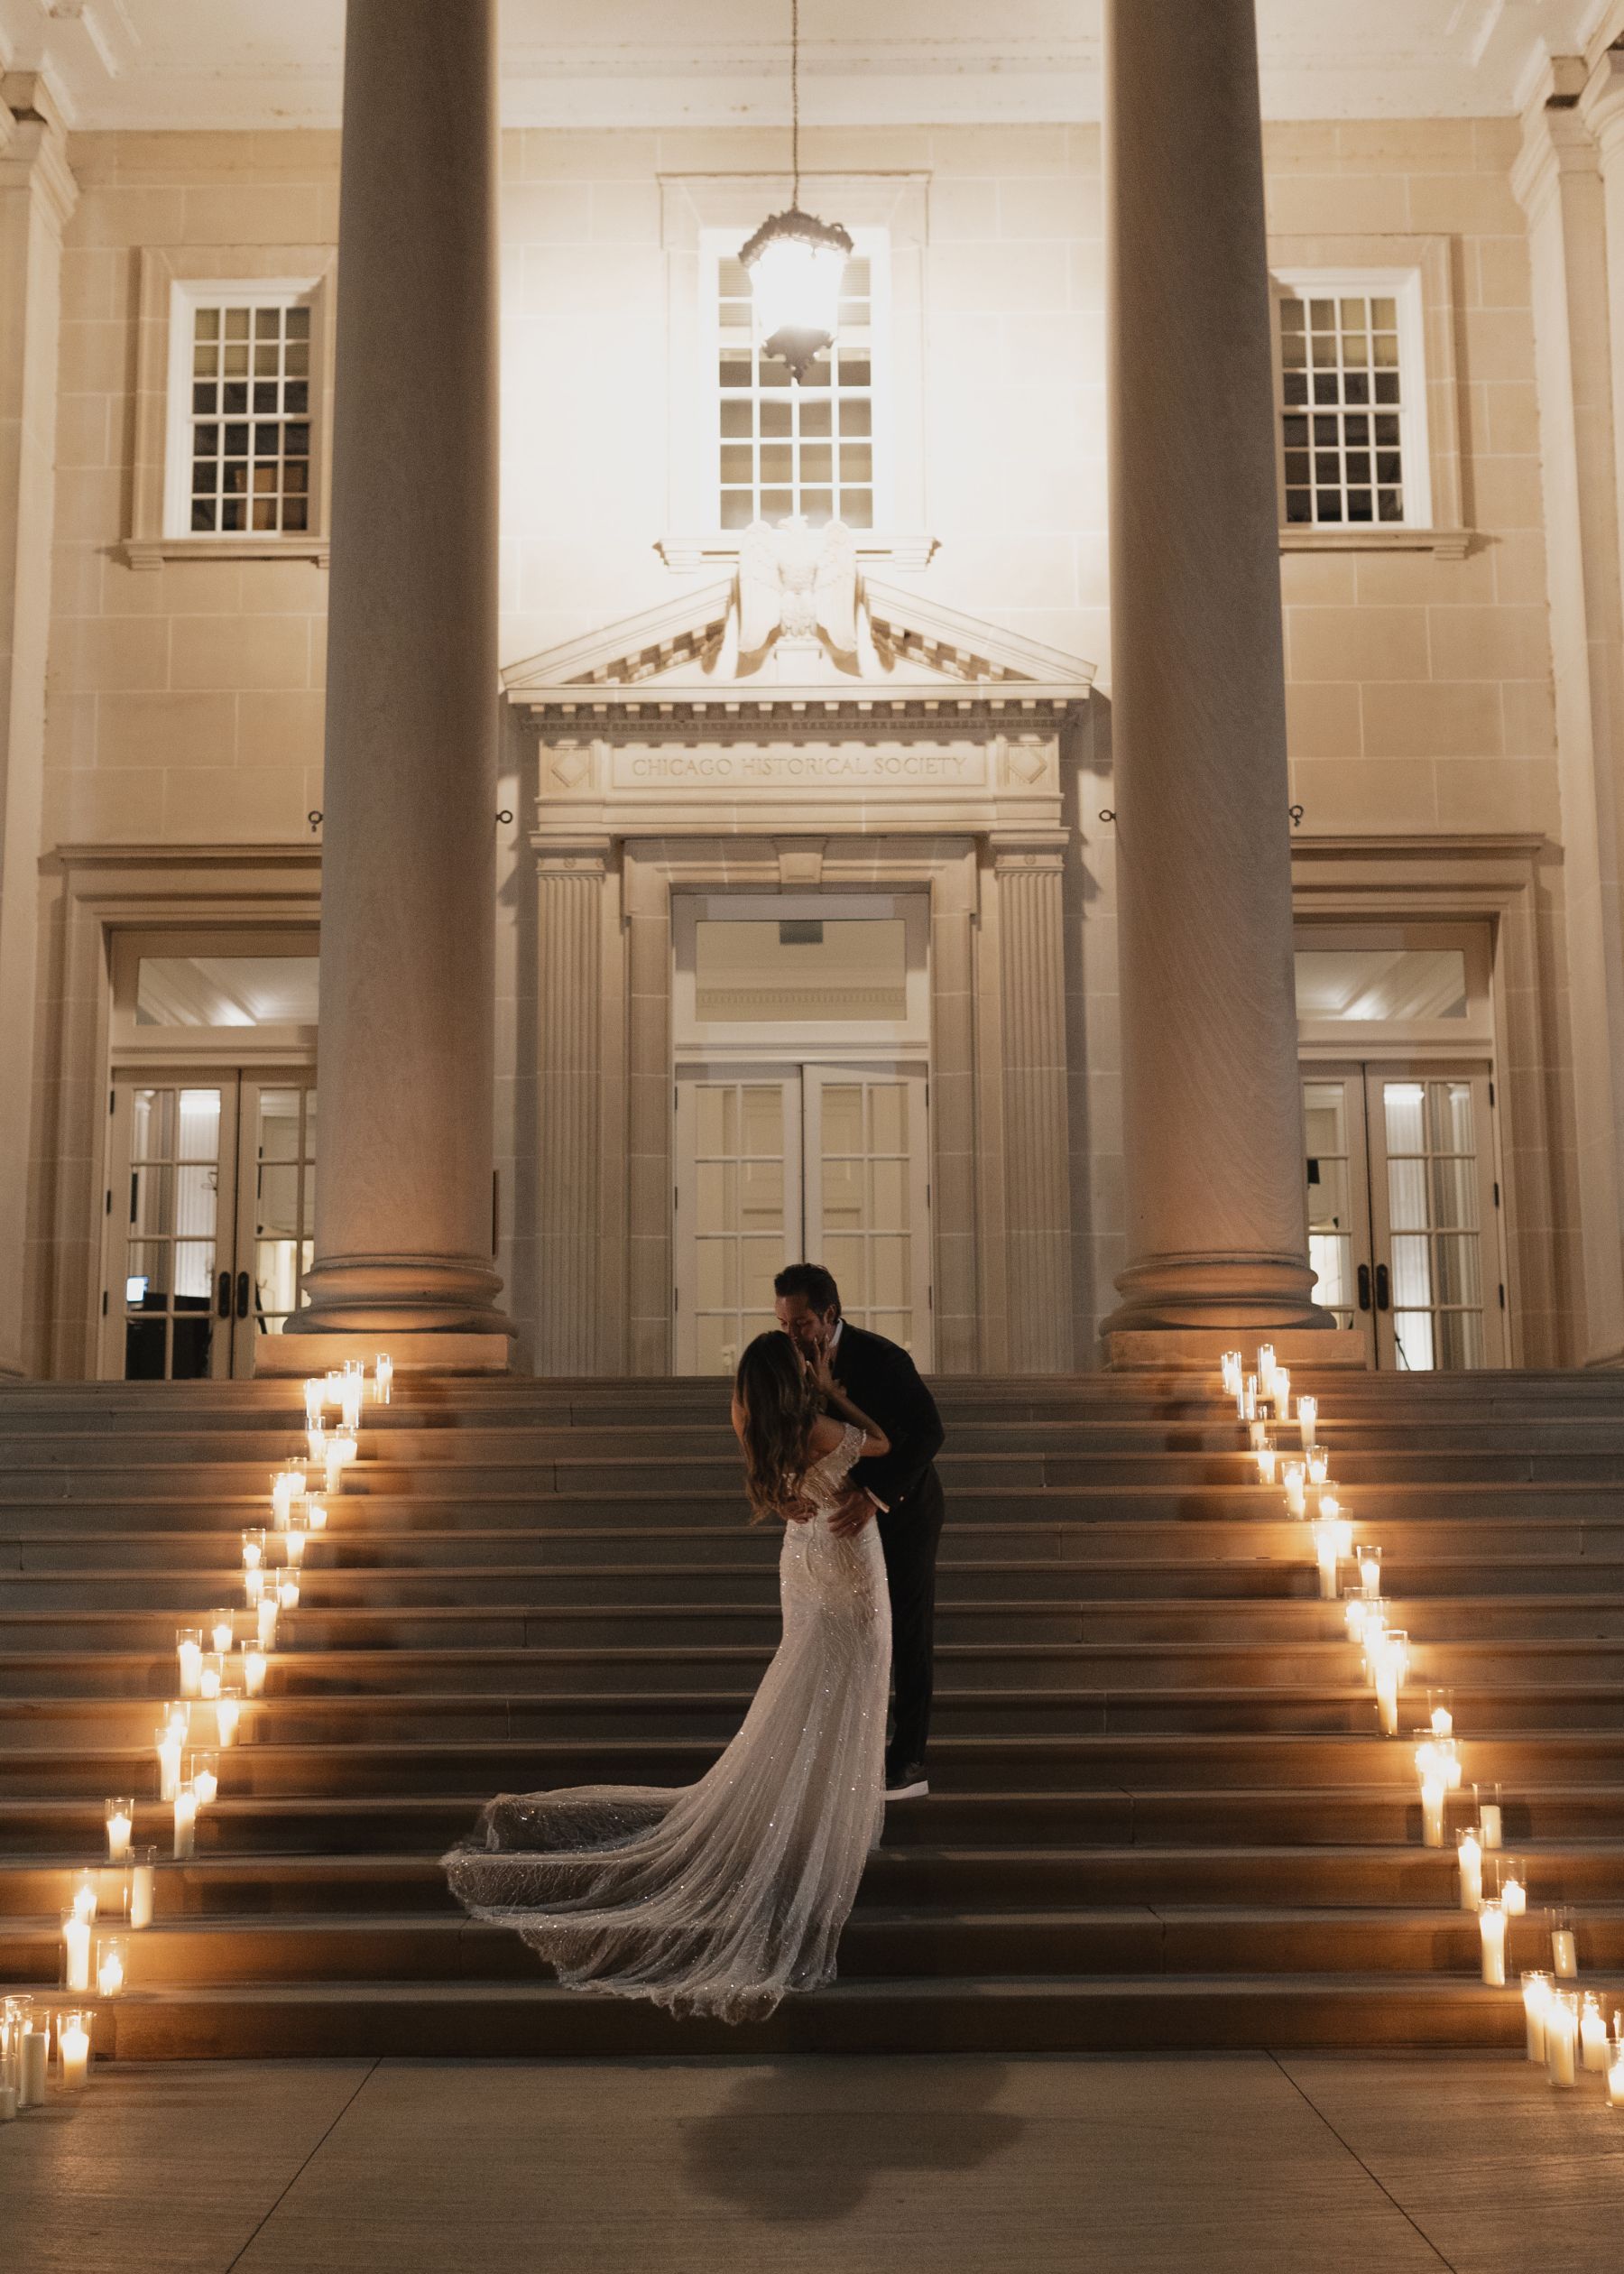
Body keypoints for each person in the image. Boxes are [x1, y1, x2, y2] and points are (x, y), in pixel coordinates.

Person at [443, 1330, 890, 2021]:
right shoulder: (820, 1424)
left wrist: (784, 1495)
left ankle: (802, 1811)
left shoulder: (754, 1422)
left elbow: (769, 1476)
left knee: (806, 1674)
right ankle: (815, 1819)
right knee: (842, 1676)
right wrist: (832, 1391)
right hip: (842, 1550)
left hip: (800, 1553)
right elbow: (882, 1446)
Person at [773, 1262, 946, 1800]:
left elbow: (928, 1433)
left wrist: (875, 1496)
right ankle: (851, 1751)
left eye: (799, 1324)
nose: (791, 1335)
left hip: (902, 1509)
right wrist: (785, 1489)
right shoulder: (787, 1362)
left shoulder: (883, 1357)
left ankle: (908, 1758)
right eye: (783, 1324)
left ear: (828, 1314)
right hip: (835, 1520)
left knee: (906, 1630)